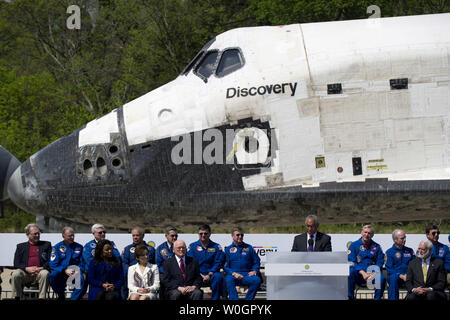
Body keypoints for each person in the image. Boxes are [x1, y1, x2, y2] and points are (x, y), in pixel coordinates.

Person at [11, 224, 51, 300]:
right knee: (15, 274)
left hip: (40, 272)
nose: (37, 235)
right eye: (35, 234)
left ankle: (42, 298)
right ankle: (18, 297)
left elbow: (51, 260)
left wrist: (41, 268)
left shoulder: (46, 245)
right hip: (25, 273)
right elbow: (16, 263)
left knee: (45, 273)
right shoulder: (20, 247)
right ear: (28, 235)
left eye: (38, 233)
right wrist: (26, 268)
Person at [347, 225, 386, 300]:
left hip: (372, 274)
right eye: (365, 232)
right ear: (361, 233)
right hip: (359, 274)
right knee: (350, 271)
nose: (367, 235)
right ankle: (350, 297)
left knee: (381, 278)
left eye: (369, 233)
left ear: (372, 235)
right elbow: (351, 261)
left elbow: (380, 262)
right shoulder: (353, 245)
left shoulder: (377, 247)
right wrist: (363, 273)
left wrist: (374, 273)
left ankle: (377, 298)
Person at [187, 224, 225, 300]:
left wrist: (209, 274)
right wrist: (200, 274)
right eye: (201, 233)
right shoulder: (192, 246)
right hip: (197, 275)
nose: (203, 235)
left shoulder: (216, 247)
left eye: (205, 233)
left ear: (210, 234)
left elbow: (218, 263)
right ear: (198, 234)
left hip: (212, 274)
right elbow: (190, 263)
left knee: (218, 277)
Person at [224, 227, 261, 300]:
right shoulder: (228, 249)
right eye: (238, 235)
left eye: (242, 235)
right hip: (234, 275)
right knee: (228, 279)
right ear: (232, 236)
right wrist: (233, 273)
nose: (240, 237)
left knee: (256, 280)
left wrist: (254, 270)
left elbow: (256, 261)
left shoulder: (249, 248)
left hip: (246, 274)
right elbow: (225, 266)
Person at [49, 226, 85, 300]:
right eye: (69, 236)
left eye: (73, 235)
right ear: (63, 236)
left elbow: (83, 263)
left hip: (75, 271)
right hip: (61, 271)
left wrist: (77, 270)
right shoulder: (56, 247)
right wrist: (64, 270)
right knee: (53, 276)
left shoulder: (79, 247)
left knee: (80, 279)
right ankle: (61, 295)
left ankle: (74, 299)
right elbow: (53, 264)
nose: (72, 237)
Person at [121, 227, 156, 299]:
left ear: (143, 236)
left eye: (137, 235)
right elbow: (124, 263)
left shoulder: (150, 249)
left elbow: (153, 264)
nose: (135, 237)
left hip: (146, 277)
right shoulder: (127, 249)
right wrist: (131, 273)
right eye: (133, 235)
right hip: (131, 276)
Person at [385, 229, 415, 300]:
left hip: (408, 276)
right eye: (402, 238)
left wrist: (408, 275)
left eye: (405, 237)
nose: (404, 240)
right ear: (395, 240)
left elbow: (415, 265)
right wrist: (400, 275)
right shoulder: (389, 252)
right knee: (393, 278)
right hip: (396, 277)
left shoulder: (410, 251)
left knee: (416, 279)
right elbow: (389, 269)